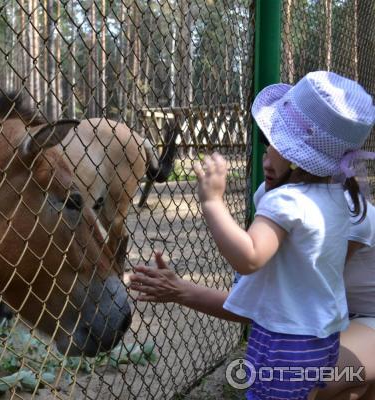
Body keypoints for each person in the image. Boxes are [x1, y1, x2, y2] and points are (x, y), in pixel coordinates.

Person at [131, 71, 375, 400]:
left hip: (315, 332)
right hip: (322, 332)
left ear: (295, 154)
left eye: (274, 141)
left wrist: (212, 202)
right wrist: (181, 290)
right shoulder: (335, 199)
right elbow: (267, 294)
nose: (266, 151)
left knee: (304, 387)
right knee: (315, 388)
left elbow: (251, 263)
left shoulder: (288, 201)